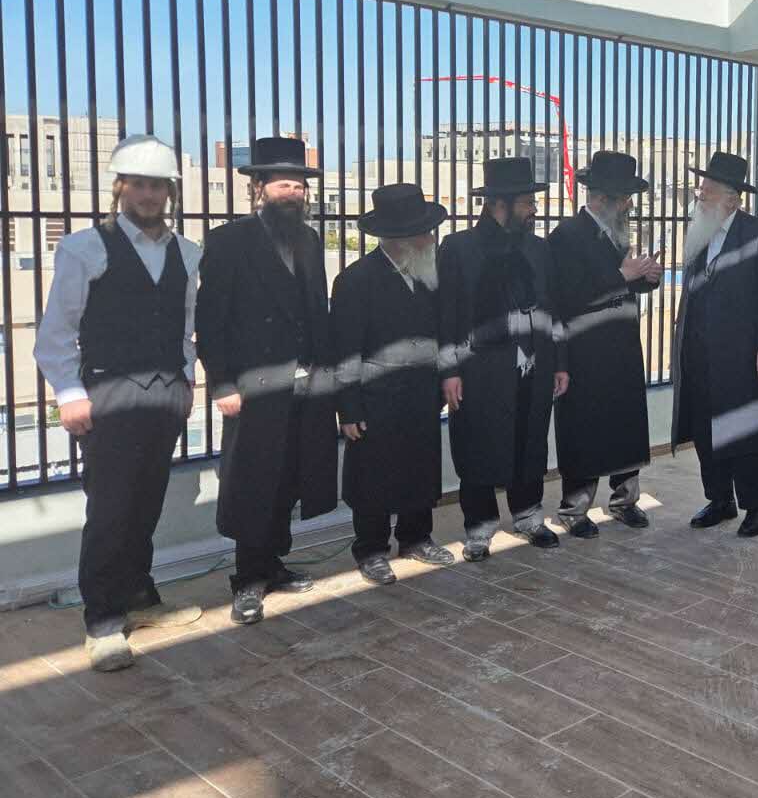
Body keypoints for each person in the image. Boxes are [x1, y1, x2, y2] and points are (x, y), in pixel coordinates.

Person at [36, 136, 203, 671]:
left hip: (166, 394)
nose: (149, 195)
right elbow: (56, 332)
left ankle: (138, 596)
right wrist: (69, 394)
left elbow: (184, 325)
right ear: (120, 187)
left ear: (170, 192)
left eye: (159, 186)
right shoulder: (84, 248)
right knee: (109, 509)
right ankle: (103, 621)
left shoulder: (187, 252)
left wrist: (186, 379)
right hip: (107, 394)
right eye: (140, 185)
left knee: (147, 502)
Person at [196, 136, 338, 626]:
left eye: (299, 186)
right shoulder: (228, 241)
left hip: (304, 381)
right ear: (259, 187)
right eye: (283, 185)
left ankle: (274, 563)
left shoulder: (310, 240)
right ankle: (248, 578)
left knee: (289, 477)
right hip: (253, 384)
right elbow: (211, 320)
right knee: (254, 480)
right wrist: (221, 384)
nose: (293, 194)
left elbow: (316, 312)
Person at [438, 157, 568, 561]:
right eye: (527, 202)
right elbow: (446, 316)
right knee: (478, 444)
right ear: (500, 203)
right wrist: (449, 370)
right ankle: (479, 527)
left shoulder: (539, 249)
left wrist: (560, 361)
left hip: (534, 365)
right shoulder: (458, 248)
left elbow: (554, 307)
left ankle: (528, 516)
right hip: (479, 370)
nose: (534, 210)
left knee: (530, 441)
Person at [332, 183, 456, 585]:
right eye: (424, 233)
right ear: (401, 238)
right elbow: (345, 348)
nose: (431, 239)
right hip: (375, 395)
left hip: (421, 391)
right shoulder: (356, 280)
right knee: (374, 475)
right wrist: (348, 407)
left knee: (420, 467)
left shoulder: (428, 274)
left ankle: (416, 538)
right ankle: (371, 549)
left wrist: (444, 378)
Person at [671, 151, 758, 537]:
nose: (700, 197)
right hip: (700, 354)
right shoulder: (701, 234)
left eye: (707, 191)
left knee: (743, 429)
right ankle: (720, 500)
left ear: (732, 199)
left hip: (742, 356)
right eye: (700, 190)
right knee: (706, 431)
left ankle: (757, 507)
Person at [549, 151, 662, 536]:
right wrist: (622, 275)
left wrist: (647, 277)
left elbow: (625, 282)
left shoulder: (618, 232)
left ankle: (625, 500)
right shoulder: (566, 236)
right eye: (624, 198)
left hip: (623, 347)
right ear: (600, 198)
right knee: (586, 429)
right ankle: (574, 510)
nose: (629, 205)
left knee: (626, 425)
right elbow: (566, 295)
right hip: (585, 351)